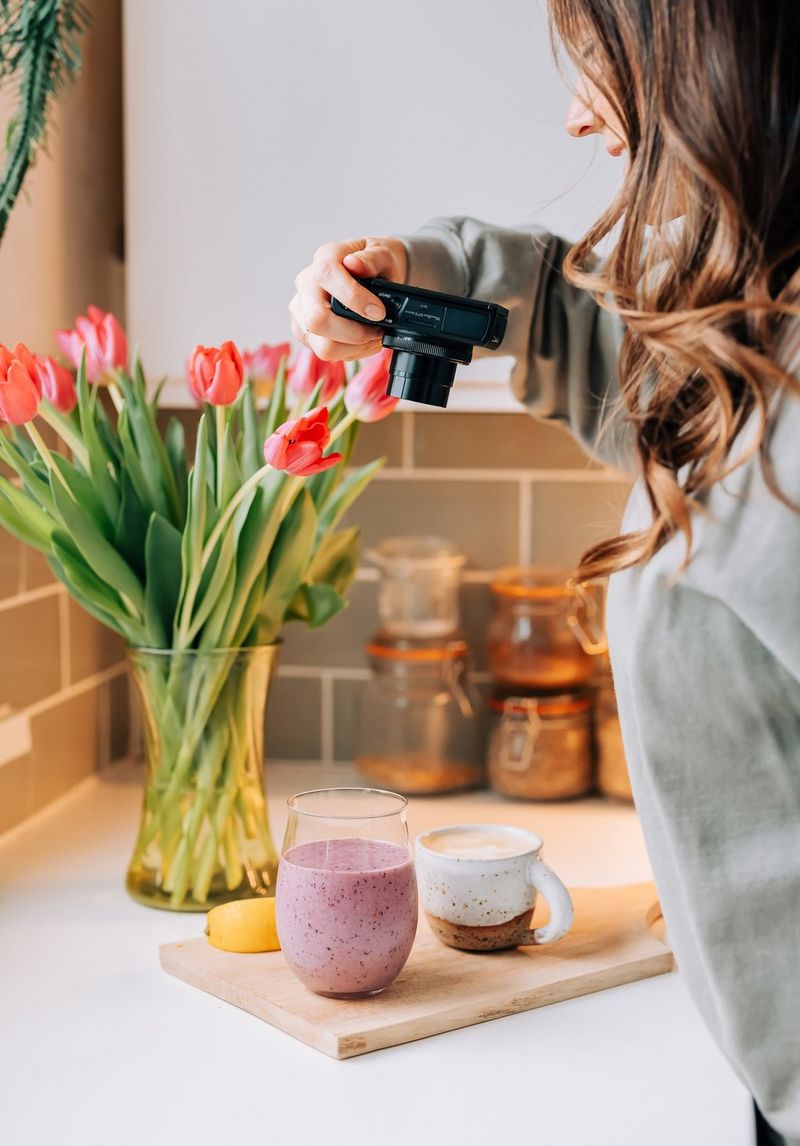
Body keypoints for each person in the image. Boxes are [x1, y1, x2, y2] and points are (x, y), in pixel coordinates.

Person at [289, 2, 800, 1143]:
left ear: (712, 63)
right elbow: (601, 339)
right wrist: (423, 277)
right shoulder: (764, 330)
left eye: (600, 69)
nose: (578, 117)